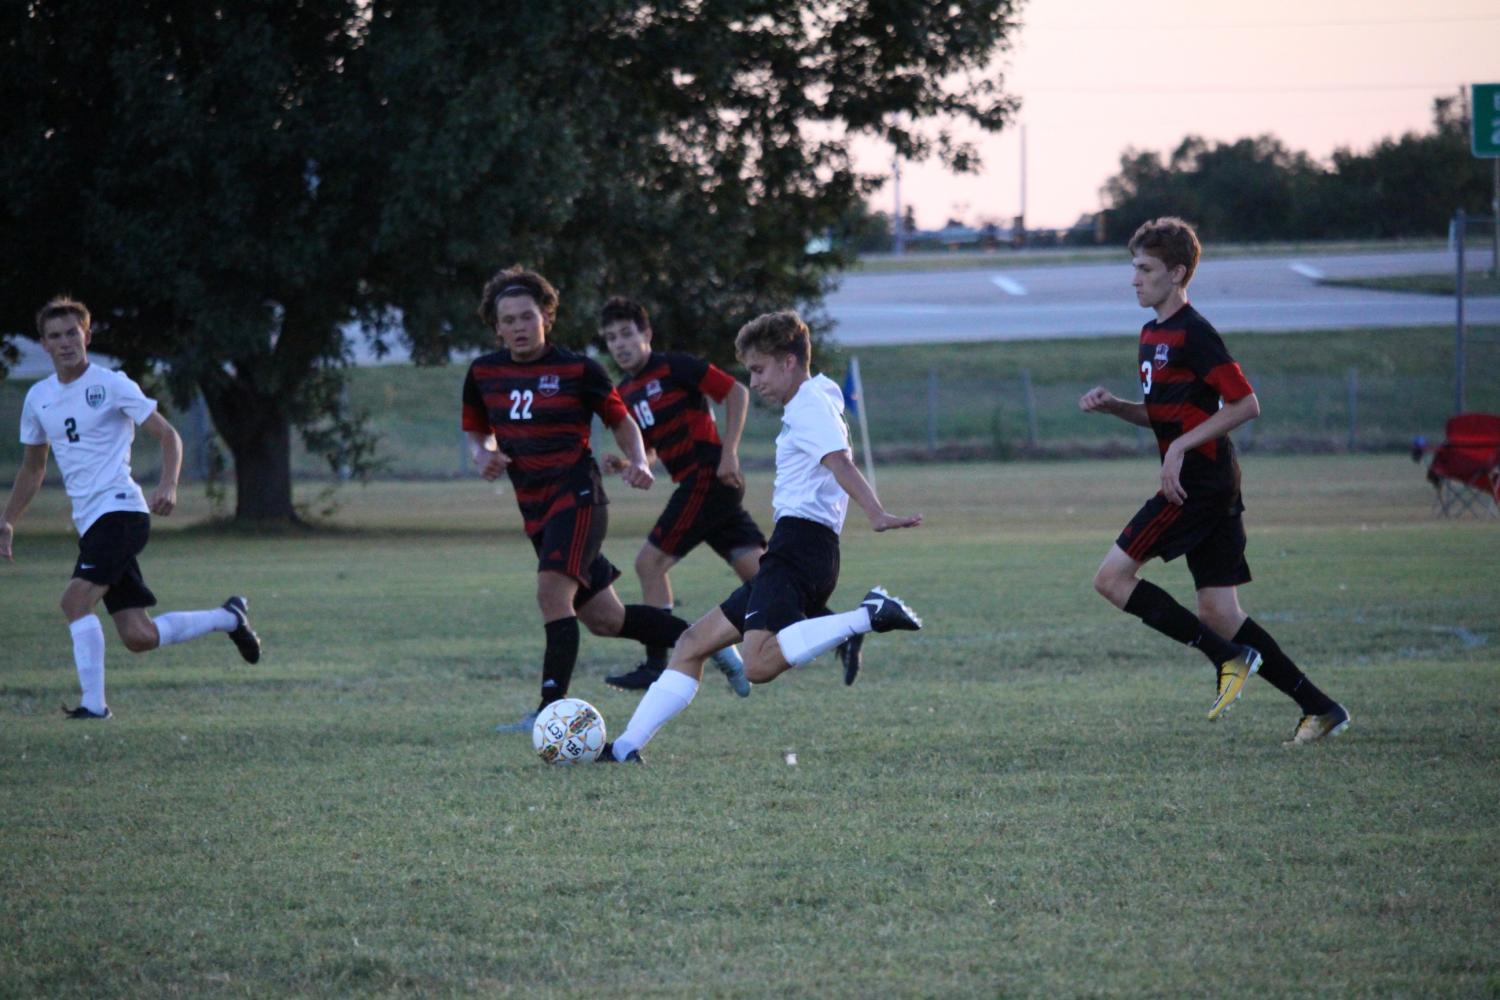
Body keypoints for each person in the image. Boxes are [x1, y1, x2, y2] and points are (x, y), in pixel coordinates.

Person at [597, 310, 922, 763]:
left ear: (789, 361)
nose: (755, 381)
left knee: (757, 664)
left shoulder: (810, 403)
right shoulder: (811, 400)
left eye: (759, 369)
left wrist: (878, 514)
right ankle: (625, 748)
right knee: (693, 643)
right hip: (795, 548)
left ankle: (867, 616)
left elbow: (839, 461)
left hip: (801, 549)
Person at [1078, 217, 1349, 746]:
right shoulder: (1152, 332)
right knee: (1219, 612)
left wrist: (1180, 447)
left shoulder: (1195, 333)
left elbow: (1247, 403)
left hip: (1197, 483)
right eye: (1133, 268)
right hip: (1212, 479)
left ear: (1177, 273)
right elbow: (1167, 416)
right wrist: (1116, 408)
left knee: (1110, 580)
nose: (1134, 279)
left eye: (1145, 269)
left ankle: (1226, 659)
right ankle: (1321, 708)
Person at [460, 268, 746, 734]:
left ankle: (549, 711)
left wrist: (639, 460)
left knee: (552, 592)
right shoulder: (483, 373)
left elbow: (622, 421)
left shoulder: (578, 369)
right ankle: (710, 640)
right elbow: (476, 430)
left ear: (546, 317)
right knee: (607, 620)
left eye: (527, 316)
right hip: (534, 508)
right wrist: (482, 454)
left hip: (577, 498)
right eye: (507, 319)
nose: (517, 326)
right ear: (496, 326)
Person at [1, 297, 261, 721]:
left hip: (121, 511)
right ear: (43, 344)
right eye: (55, 336)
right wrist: (7, 520)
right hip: (91, 523)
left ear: (87, 335)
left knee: (74, 602)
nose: (65, 342)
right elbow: (33, 469)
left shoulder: (113, 384)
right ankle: (228, 618)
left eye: (72, 333)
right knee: (140, 636)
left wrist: (168, 485)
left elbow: (169, 435)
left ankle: (94, 706)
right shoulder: (38, 398)